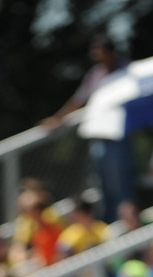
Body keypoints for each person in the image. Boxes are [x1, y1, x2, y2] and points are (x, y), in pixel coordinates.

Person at [41, 34, 134, 222]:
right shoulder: (96, 74)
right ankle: (111, 226)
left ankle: (128, 225)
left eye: (99, 51)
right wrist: (58, 119)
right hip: (99, 138)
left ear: (110, 52)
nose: (95, 56)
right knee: (103, 187)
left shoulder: (127, 71)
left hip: (119, 137)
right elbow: (79, 99)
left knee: (122, 186)